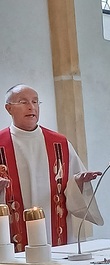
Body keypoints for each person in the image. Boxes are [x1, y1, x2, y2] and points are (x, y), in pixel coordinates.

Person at [1, 84, 103, 252]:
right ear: (8, 108)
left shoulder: (59, 143)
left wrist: (78, 182)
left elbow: (72, 185)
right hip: (11, 240)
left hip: (56, 236)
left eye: (35, 101)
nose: (31, 107)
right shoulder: (1, 144)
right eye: (23, 102)